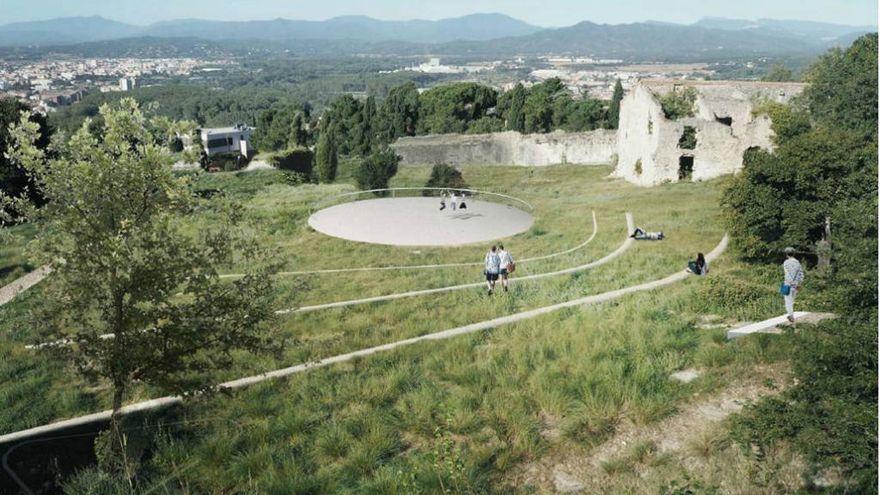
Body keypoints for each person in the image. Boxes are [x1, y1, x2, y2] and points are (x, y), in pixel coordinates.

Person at [781, 246, 805, 323]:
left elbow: (788, 274)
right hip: (796, 285)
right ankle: (791, 315)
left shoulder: (786, 262)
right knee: (792, 300)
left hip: (788, 284)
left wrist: (789, 283)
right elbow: (801, 274)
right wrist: (799, 283)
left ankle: (791, 315)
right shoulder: (797, 262)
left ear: (786, 254)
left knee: (788, 301)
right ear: (793, 253)